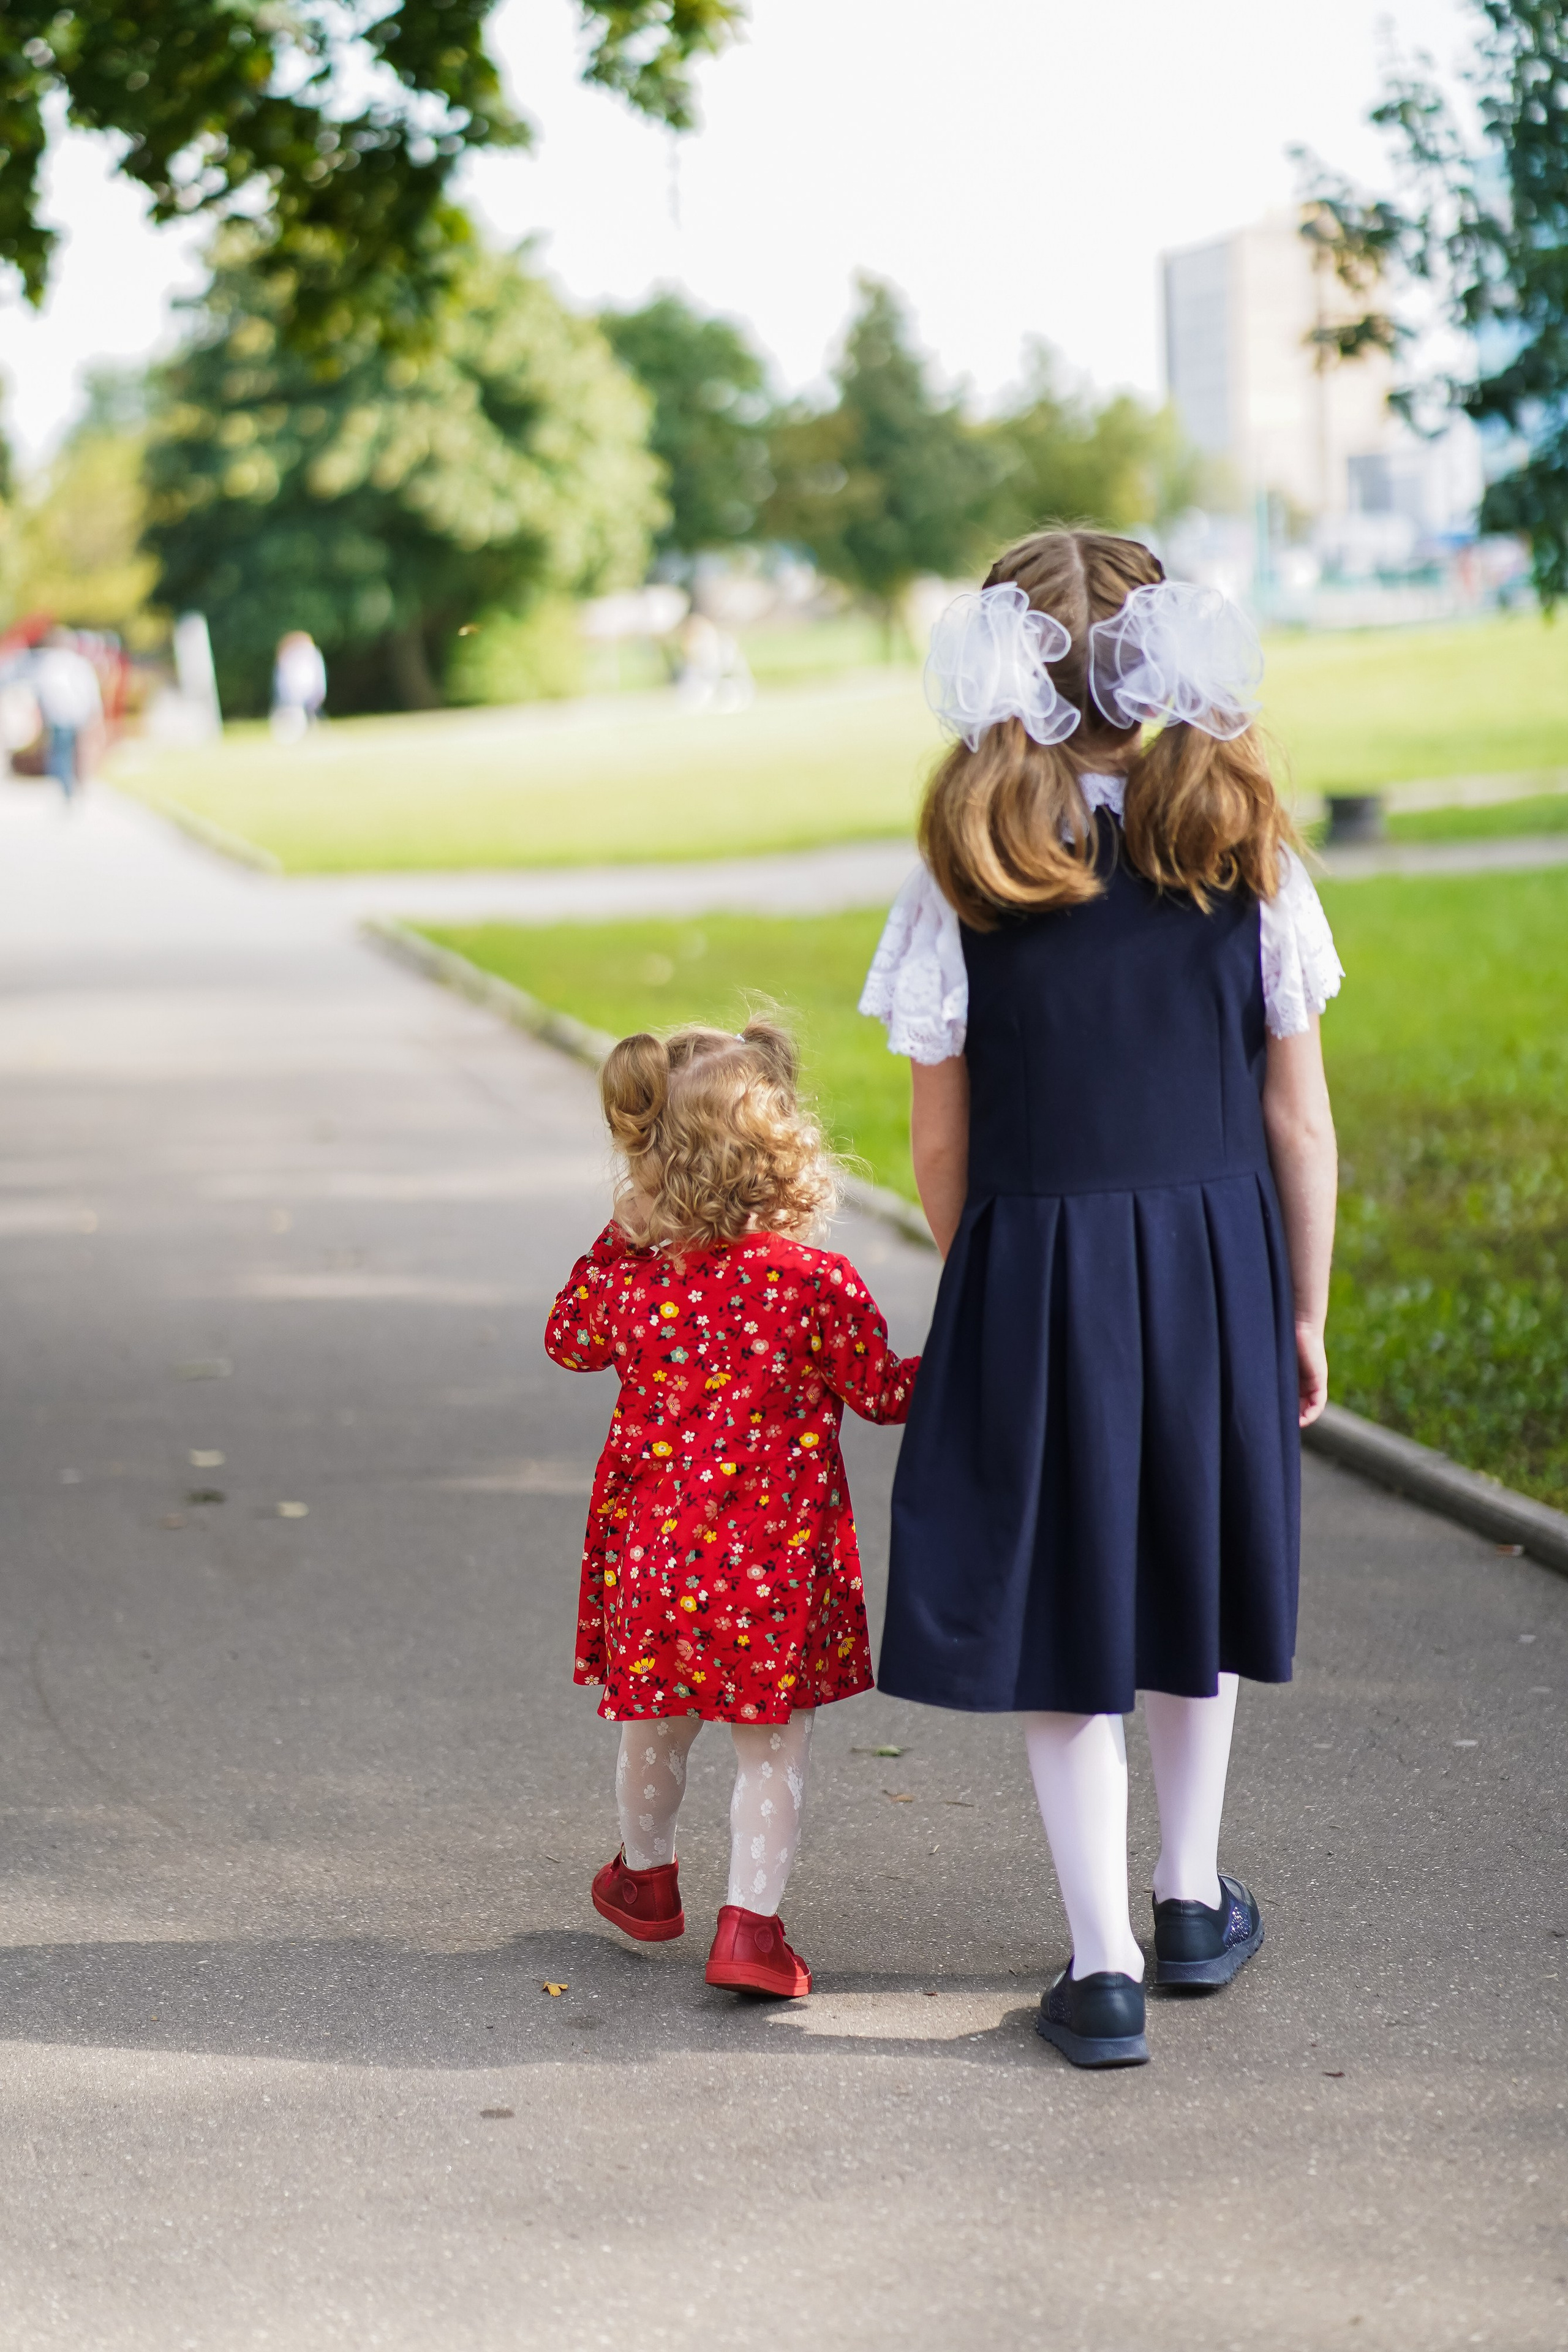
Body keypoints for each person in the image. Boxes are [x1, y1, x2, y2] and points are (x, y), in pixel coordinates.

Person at [859, 531, 1341, 2068]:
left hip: (1034, 1262)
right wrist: (1301, 1307)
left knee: (1064, 1602)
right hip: (1212, 1267)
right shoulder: (1243, 852)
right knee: (1185, 1577)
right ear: (1171, 662)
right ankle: (1191, 1893)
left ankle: (1104, 1962)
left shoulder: (961, 875)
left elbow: (938, 1141)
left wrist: (990, 1265)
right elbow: (1296, 1121)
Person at [545, 1018, 918, 1997]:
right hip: (774, 1568)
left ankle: (647, 1878)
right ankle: (749, 1930)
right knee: (770, 1753)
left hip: (657, 1564)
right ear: (787, 1154)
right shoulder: (816, 1287)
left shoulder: (641, 1287)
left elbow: (566, 1337)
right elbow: (884, 1393)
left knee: (653, 1726)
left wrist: (625, 1232)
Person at [31, 628, 102, 802]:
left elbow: (41, 691)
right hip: (76, 714)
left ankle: (67, 786)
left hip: (61, 715)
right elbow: (90, 691)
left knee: (62, 752)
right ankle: (74, 785)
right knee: (75, 752)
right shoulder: (77, 663)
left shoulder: (49, 664)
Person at [270, 631, 327, 740]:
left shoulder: (310, 656)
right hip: (296, 693)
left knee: (309, 713)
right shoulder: (294, 657)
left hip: (305, 691)